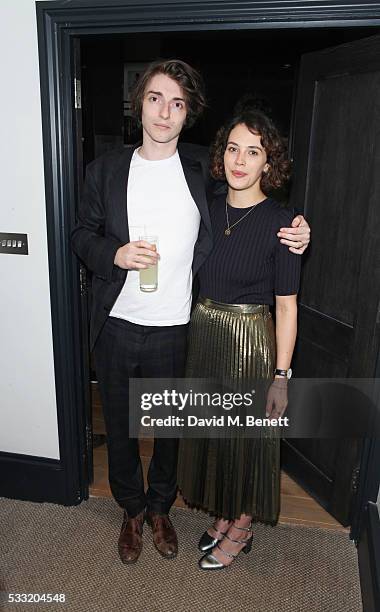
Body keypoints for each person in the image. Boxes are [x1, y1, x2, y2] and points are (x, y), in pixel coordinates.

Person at [71, 59, 309, 566]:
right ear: (140, 104)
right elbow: (80, 234)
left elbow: (253, 203)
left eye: (177, 103)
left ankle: (161, 509)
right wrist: (112, 254)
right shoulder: (105, 169)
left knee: (172, 432)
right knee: (120, 426)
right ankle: (131, 511)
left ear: (188, 115)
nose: (164, 112)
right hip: (115, 324)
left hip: (181, 328)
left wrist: (297, 229)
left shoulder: (206, 168)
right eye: (155, 98)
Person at [177, 108, 301, 570]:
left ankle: (243, 523)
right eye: (232, 148)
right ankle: (227, 512)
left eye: (253, 151)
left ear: (268, 163)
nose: (240, 160)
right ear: (220, 154)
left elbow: (287, 306)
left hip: (250, 339)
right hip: (205, 330)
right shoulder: (206, 206)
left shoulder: (285, 224)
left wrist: (282, 376)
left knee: (248, 438)